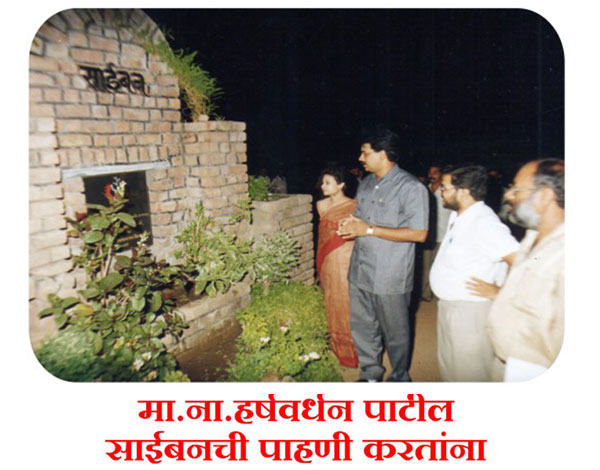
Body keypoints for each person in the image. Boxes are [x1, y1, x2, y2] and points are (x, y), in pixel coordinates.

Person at [337, 127, 429, 382]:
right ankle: (370, 374)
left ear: (383, 154)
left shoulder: (411, 188)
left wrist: (368, 229)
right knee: (363, 326)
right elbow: (361, 219)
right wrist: (351, 225)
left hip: (389, 274)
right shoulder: (366, 184)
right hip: (361, 269)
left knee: (396, 332)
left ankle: (399, 377)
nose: (360, 158)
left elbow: (419, 233)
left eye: (365, 153)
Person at [429, 166, 519, 381]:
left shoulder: (483, 223)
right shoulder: (461, 216)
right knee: (452, 372)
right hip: (451, 307)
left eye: (445, 187)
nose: (441, 191)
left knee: (470, 375)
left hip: (470, 312)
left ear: (464, 192)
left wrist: (501, 293)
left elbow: (520, 259)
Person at [485, 159, 564, 381]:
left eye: (517, 189)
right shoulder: (532, 238)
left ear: (545, 196)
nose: (509, 195)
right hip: (509, 362)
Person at [315, 167, 359, 368]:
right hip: (328, 259)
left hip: (346, 258)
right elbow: (324, 236)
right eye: (323, 182)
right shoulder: (321, 205)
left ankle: (353, 348)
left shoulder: (354, 205)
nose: (323, 186)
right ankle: (337, 346)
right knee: (331, 299)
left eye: (328, 183)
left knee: (345, 301)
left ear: (341, 185)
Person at [420, 164, 453, 301]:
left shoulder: (446, 192)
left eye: (435, 172)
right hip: (428, 236)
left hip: (443, 235)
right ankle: (426, 293)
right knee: (425, 266)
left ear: (441, 174)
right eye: (430, 172)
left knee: (441, 266)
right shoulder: (423, 190)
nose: (431, 175)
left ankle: (441, 293)